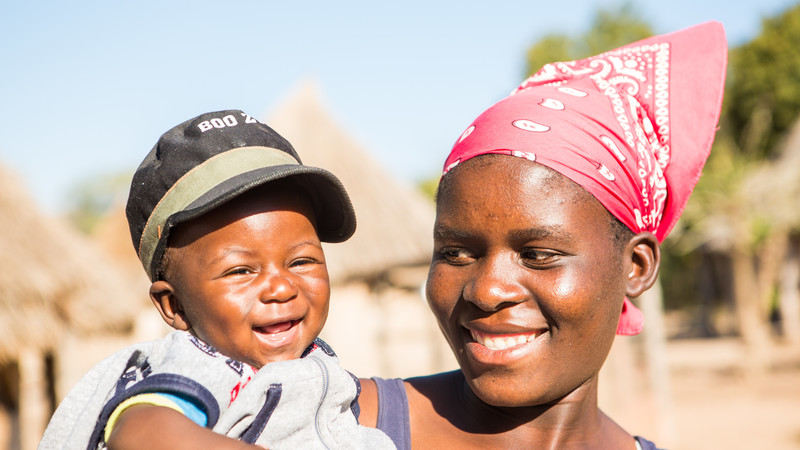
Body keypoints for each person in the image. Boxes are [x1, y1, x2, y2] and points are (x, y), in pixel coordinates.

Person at [358, 22, 727, 449]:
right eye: (456, 252)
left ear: (636, 266)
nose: (488, 290)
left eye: (538, 254)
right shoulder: (339, 427)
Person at [39, 110, 394, 449]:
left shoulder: (318, 364)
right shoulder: (204, 365)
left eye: (301, 261)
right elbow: (139, 427)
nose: (283, 288)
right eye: (241, 271)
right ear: (174, 306)